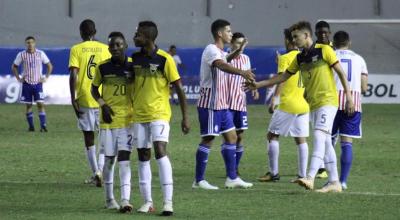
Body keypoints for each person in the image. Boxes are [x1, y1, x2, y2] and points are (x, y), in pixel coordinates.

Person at [245, 21, 354, 193]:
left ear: (307, 35)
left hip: (328, 101)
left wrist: (348, 97)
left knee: (319, 136)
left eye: (296, 37)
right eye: (292, 37)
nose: (294, 40)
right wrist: (258, 85)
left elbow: (341, 73)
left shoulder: (324, 50)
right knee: (325, 142)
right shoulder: (299, 58)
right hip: (313, 104)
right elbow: (282, 78)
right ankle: (334, 182)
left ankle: (309, 177)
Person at [131, 20, 190, 216]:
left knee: (160, 151)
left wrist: (185, 117)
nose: (134, 37)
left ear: (147, 38)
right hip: (139, 115)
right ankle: (148, 202)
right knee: (143, 155)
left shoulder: (165, 59)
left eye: (138, 34)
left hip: (159, 114)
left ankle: (168, 202)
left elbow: (180, 90)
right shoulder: (134, 58)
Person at [193, 19, 255, 190]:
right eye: (228, 30)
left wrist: (238, 51)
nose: (231, 33)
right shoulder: (211, 49)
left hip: (222, 104)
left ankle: (232, 178)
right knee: (208, 139)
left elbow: (225, 58)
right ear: (219, 33)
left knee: (232, 137)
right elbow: (221, 64)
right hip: (210, 103)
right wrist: (242, 72)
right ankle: (198, 180)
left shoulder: (219, 52)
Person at [257, 28, 309, 182]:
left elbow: (282, 78)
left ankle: (274, 173)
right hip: (303, 105)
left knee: (272, 135)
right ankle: (302, 175)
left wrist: (275, 98)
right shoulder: (304, 57)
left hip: (288, 104)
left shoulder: (285, 58)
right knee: (301, 139)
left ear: (288, 40)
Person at [91, 32, 134, 212]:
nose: (115, 48)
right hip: (108, 121)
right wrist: (103, 105)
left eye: (118, 44)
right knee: (109, 160)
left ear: (124, 45)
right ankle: (109, 199)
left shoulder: (134, 66)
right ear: (108, 48)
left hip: (127, 121)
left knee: (125, 160)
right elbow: (94, 89)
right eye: (112, 46)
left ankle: (125, 200)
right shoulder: (103, 68)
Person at [69, 19, 111, 187]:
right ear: (95, 32)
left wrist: (73, 99)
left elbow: (73, 75)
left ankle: (96, 173)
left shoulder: (76, 49)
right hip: (102, 98)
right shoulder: (106, 49)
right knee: (103, 136)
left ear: (81, 32)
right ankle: (101, 170)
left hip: (85, 97)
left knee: (88, 136)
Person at [331, 31, 368, 190]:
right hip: (352, 104)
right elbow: (365, 88)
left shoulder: (330, 55)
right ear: (349, 42)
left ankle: (330, 179)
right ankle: (343, 181)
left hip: (331, 103)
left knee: (327, 141)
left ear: (334, 42)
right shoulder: (359, 59)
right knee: (346, 144)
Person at [227, 32, 259, 175]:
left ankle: (235, 167)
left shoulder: (246, 58)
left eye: (243, 43)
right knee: (230, 137)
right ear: (231, 43)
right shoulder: (225, 57)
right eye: (238, 43)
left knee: (240, 136)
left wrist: (254, 87)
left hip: (240, 103)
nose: (241, 46)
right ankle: (231, 168)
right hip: (226, 103)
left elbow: (248, 76)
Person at [12, 36, 53, 132]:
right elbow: (14, 66)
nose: (30, 44)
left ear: (35, 43)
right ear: (25, 44)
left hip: (38, 83)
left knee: (40, 104)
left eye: (31, 42)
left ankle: (43, 126)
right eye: (28, 43)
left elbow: (49, 66)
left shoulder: (40, 54)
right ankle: (31, 127)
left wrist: (46, 77)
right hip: (27, 84)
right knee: (29, 105)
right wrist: (18, 78)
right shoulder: (22, 55)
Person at [314, 20, 332, 178]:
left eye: (325, 32)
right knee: (323, 135)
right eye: (320, 32)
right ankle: (323, 169)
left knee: (325, 135)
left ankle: (314, 173)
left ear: (330, 33)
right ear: (315, 34)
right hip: (316, 98)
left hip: (331, 98)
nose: (323, 34)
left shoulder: (332, 49)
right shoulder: (313, 50)